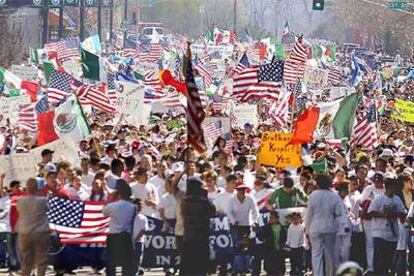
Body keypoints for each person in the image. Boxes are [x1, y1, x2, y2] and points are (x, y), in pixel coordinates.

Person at [305, 174, 346, 276]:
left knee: (316, 254)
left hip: (315, 227)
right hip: (329, 227)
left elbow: (309, 214)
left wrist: (307, 230)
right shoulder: (334, 195)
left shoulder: (313, 195)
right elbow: (339, 213)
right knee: (330, 254)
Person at [367, 177, 407, 274]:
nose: (396, 189)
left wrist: (395, 214)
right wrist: (383, 214)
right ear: (389, 187)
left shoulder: (397, 199)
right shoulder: (379, 199)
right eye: (394, 187)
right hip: (379, 233)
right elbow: (370, 213)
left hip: (392, 235)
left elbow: (403, 213)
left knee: (388, 262)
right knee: (379, 261)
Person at [180, 178, 215, 276]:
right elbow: (212, 211)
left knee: (188, 265)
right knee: (200, 266)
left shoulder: (184, 200)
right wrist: (206, 197)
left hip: (188, 237)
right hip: (200, 236)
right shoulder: (202, 201)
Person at [16, 178, 50, 276]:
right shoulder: (43, 200)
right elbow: (48, 208)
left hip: (24, 233)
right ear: (37, 188)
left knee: (26, 260)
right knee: (41, 260)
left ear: (26, 188)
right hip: (40, 232)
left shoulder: (20, 201)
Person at [102, 179, 136, 276]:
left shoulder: (112, 206)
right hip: (126, 237)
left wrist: (109, 199)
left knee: (111, 263)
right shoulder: (132, 207)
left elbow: (104, 212)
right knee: (127, 264)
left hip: (113, 237)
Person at [257, 211, 286, 276]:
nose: (270, 219)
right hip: (269, 251)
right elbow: (259, 234)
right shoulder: (267, 227)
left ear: (277, 218)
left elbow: (285, 238)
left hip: (279, 251)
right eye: (270, 218)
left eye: (272, 218)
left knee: (279, 269)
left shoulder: (282, 227)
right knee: (270, 270)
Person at [132, 199, 148, 276]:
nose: (138, 208)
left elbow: (143, 230)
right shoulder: (128, 217)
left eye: (140, 206)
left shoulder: (143, 218)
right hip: (128, 242)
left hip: (139, 242)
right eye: (137, 206)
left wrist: (136, 240)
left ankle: (136, 271)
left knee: (137, 259)